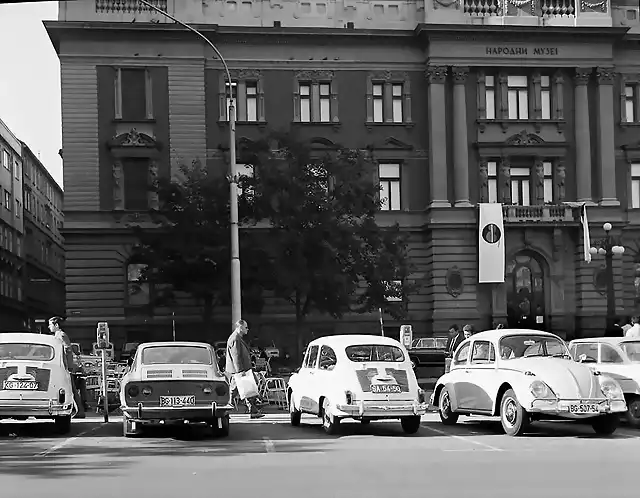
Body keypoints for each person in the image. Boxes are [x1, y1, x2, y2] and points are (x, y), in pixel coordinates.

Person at [226, 319, 264, 419]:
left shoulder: (237, 338)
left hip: (240, 370)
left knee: (236, 391)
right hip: (239, 370)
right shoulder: (235, 338)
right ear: (240, 327)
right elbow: (236, 356)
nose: (248, 329)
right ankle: (253, 411)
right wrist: (240, 371)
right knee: (246, 390)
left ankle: (252, 410)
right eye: (246, 327)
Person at [48, 316, 86, 418]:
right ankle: (79, 410)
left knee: (71, 389)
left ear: (56, 325)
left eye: (50, 324)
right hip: (62, 366)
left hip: (65, 367)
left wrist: (68, 365)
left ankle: (80, 411)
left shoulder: (61, 335)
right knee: (70, 389)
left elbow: (68, 350)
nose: (48, 327)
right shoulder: (57, 335)